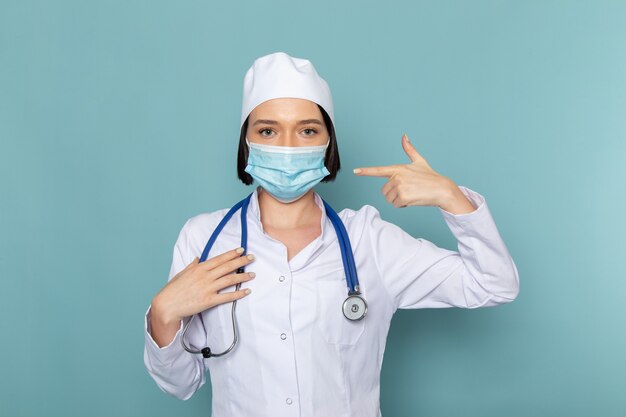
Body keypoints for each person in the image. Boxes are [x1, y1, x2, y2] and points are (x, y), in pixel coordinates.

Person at [143, 51, 520, 417]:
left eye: (307, 130)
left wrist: (450, 198)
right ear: (246, 142)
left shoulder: (368, 241)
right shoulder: (204, 238)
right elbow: (181, 385)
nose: (288, 147)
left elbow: (494, 284)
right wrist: (162, 315)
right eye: (268, 130)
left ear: (328, 144)